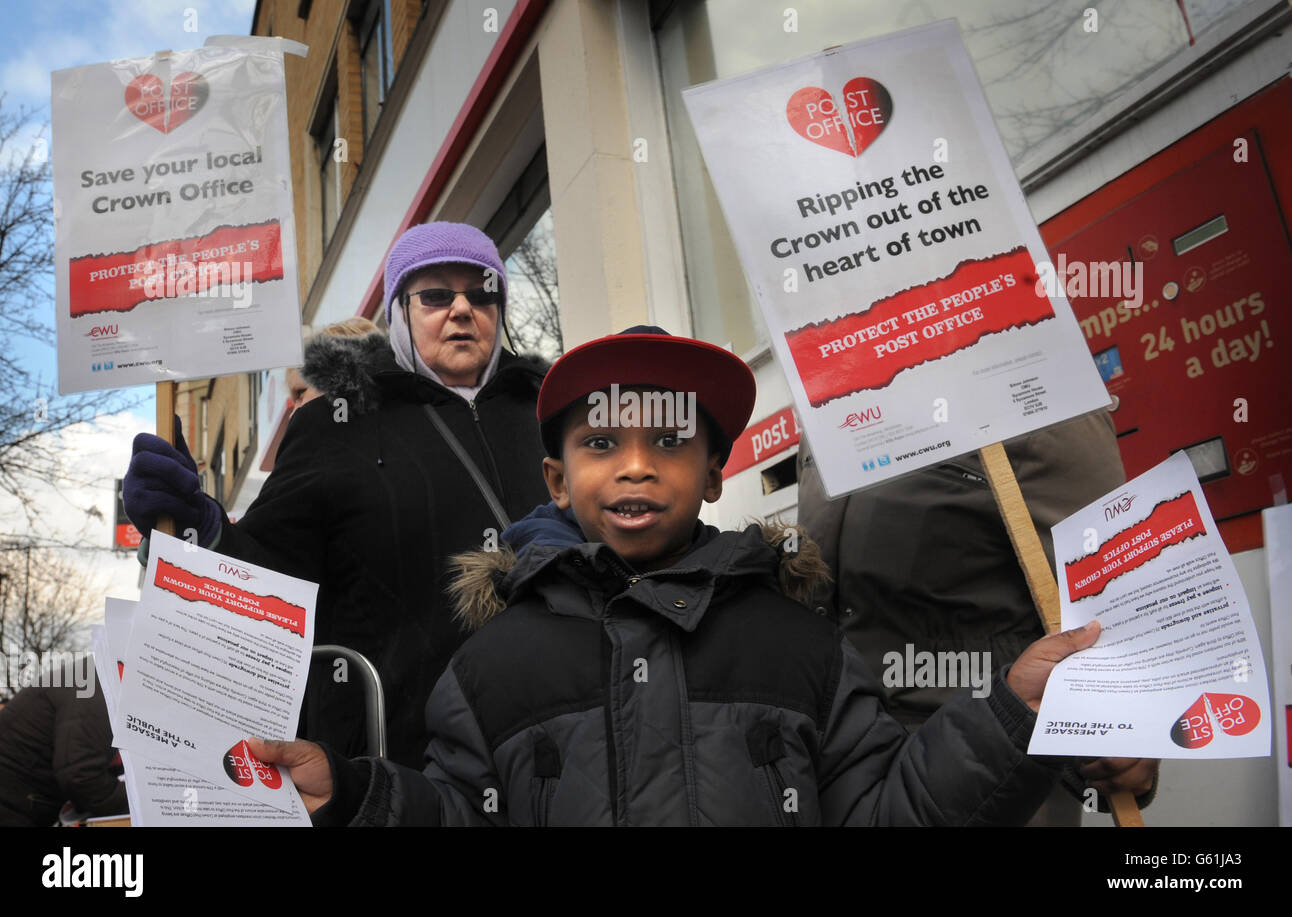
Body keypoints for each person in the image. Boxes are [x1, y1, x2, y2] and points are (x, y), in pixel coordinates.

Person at [251, 326, 1107, 826]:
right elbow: (454, 810)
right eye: (599, 443)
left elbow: (889, 811)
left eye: (669, 441)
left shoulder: (802, 645)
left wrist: (1012, 716)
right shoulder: (489, 665)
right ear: (555, 481)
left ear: (714, 474)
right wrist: (356, 793)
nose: (634, 467)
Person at [123, 222, 551, 768]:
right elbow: (269, 579)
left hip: (557, 751)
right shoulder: (336, 423)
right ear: (399, 311)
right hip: (402, 766)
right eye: (437, 294)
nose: (463, 309)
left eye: (483, 292)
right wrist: (198, 527)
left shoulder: (550, 417)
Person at [796, 413, 1159, 822]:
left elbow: (1111, 597)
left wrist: (1131, 726)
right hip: (838, 773)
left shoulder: (1039, 393)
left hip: (991, 776)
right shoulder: (826, 409)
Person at [0, 677, 127, 826]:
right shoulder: (98, 688)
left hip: (20, 802)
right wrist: (144, 799)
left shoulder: (98, 682)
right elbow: (81, 776)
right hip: (7, 805)